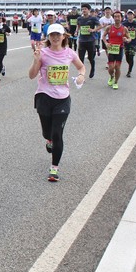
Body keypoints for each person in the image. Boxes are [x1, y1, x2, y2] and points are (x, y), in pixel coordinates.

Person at [28, 23, 85, 181]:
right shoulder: (43, 53)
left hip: (63, 99)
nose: (55, 37)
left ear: (63, 36)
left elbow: (81, 67)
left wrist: (81, 76)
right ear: (48, 36)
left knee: (57, 133)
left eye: (58, 34)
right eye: (52, 34)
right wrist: (36, 61)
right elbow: (32, 75)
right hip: (44, 97)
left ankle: (54, 168)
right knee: (47, 133)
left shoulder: (70, 53)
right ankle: (49, 140)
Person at [102, 11, 129, 90]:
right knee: (111, 68)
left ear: (121, 18)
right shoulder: (109, 27)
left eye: (118, 17)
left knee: (117, 67)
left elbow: (129, 38)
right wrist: (106, 43)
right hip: (111, 49)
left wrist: (126, 39)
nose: (117, 18)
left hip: (119, 49)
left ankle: (116, 82)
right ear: (113, 18)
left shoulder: (124, 28)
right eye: (115, 17)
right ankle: (111, 76)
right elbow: (103, 36)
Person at [75, 3, 100, 78]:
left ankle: (92, 68)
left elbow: (100, 26)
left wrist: (93, 30)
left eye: (85, 9)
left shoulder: (93, 18)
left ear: (88, 10)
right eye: (82, 9)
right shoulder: (79, 18)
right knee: (80, 59)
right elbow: (78, 26)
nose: (83, 10)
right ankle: (81, 74)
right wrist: (76, 31)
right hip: (82, 41)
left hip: (90, 41)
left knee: (90, 58)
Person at [122, 10, 136, 77]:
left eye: (131, 15)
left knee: (131, 56)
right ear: (127, 16)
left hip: (133, 41)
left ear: (133, 16)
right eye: (128, 15)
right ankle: (130, 64)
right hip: (126, 41)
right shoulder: (124, 23)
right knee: (127, 56)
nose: (130, 16)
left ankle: (129, 71)